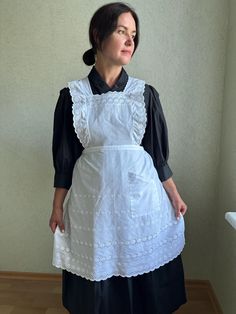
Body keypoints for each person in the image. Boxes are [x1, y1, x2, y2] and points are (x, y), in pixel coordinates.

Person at [49, 2, 187, 314]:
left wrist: (175, 195)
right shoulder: (72, 96)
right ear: (98, 35)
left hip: (141, 201)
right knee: (99, 269)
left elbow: (157, 154)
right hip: (92, 203)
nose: (130, 41)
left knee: (141, 268)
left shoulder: (144, 94)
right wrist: (57, 206)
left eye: (134, 35)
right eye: (122, 31)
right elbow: (65, 160)